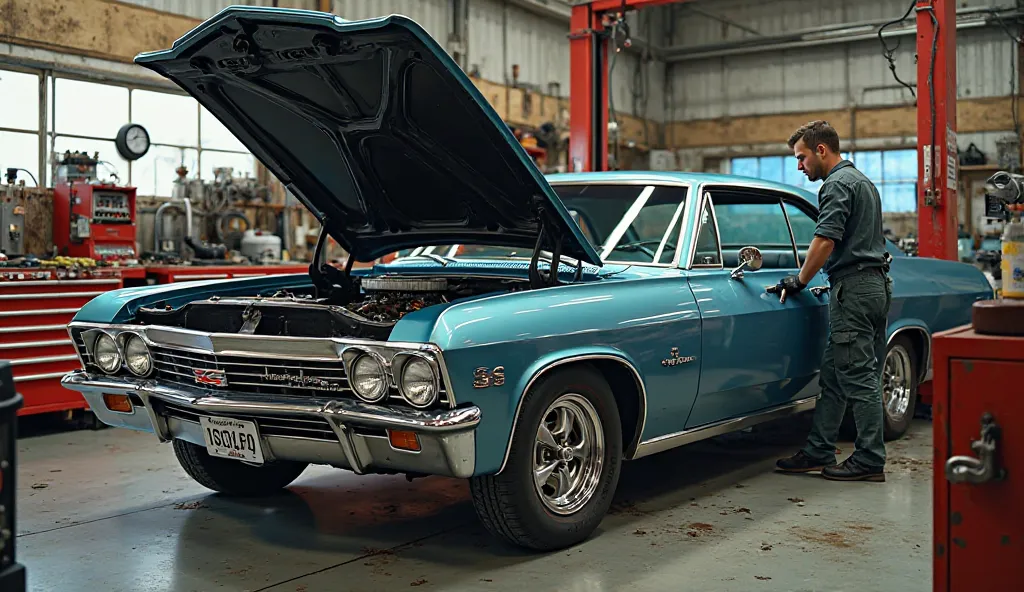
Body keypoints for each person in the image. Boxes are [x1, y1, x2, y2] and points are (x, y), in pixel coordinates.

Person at [774, 120, 893, 483]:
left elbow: (825, 240)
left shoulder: (836, 184)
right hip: (875, 285)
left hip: (853, 290)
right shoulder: (863, 181)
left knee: (858, 377)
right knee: (837, 375)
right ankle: (819, 448)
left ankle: (870, 458)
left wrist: (799, 279)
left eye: (801, 157)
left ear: (821, 150)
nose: (799, 166)